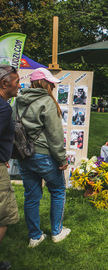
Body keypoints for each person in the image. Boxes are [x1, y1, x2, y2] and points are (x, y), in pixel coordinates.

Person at [13, 68, 70, 248]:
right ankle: (57, 232)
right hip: (44, 155)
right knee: (58, 190)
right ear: (44, 83)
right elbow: (55, 135)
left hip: (24, 155)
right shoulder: (47, 101)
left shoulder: (18, 100)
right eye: (51, 82)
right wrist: (62, 159)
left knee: (31, 195)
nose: (53, 85)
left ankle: (35, 237)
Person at [0, 64, 20, 270]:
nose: (19, 86)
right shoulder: (3, 107)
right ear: (4, 83)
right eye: (16, 82)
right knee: (3, 215)